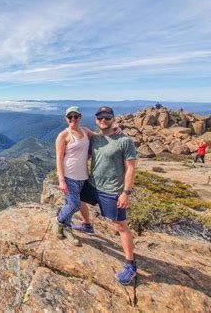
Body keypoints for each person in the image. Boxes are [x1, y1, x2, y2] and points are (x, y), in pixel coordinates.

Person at [72, 106, 138, 286]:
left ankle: (131, 265)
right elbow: (81, 130)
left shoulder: (125, 141)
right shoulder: (96, 138)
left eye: (107, 117)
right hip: (92, 184)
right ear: (96, 119)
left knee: (120, 225)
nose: (104, 120)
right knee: (76, 199)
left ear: (113, 119)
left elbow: (131, 167)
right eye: (100, 117)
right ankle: (87, 225)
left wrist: (126, 192)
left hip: (112, 190)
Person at [53, 106, 121, 246]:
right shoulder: (63, 135)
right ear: (66, 118)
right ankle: (58, 221)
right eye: (70, 117)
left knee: (73, 202)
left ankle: (66, 228)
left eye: (75, 116)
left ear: (80, 117)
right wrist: (61, 180)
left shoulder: (85, 131)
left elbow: (101, 138)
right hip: (68, 175)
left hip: (83, 175)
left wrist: (115, 130)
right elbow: (58, 159)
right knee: (74, 204)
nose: (73, 119)